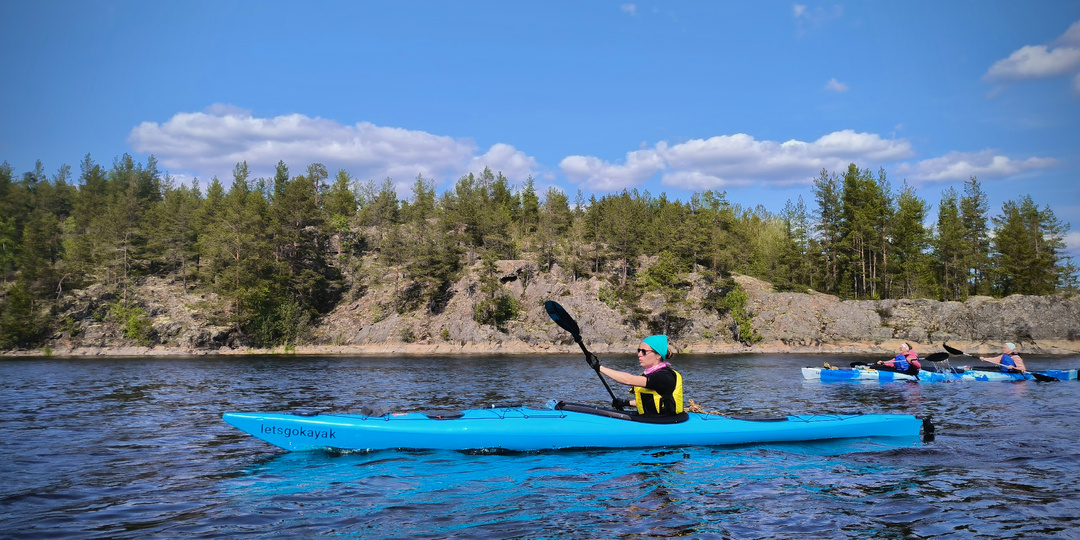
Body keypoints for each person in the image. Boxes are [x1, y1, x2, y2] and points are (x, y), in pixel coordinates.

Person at [587, 334, 683, 416]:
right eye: (639, 350)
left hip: (665, 422)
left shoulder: (664, 377)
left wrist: (599, 367)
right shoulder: (649, 374)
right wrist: (625, 403)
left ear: (658, 355)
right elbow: (649, 400)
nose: (639, 354)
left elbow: (628, 380)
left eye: (644, 352)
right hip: (650, 419)